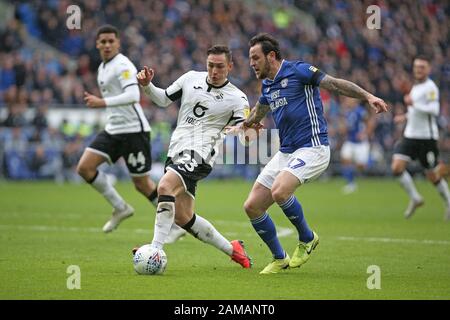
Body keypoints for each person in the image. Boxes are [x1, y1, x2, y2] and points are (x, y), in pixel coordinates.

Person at [236, 33, 387, 274]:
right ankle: (279, 257)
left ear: (271, 56)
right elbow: (259, 111)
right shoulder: (267, 84)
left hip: (313, 147)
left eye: (255, 58)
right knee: (252, 206)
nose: (251, 63)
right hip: (287, 152)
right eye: (250, 58)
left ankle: (307, 238)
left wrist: (368, 96)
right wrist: (245, 123)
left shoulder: (299, 70)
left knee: (280, 190)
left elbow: (335, 84)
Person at [135, 45, 252, 268]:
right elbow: (163, 99)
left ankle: (155, 250)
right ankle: (234, 250)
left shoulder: (238, 98)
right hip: (177, 150)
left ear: (230, 66)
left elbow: (245, 136)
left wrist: (248, 132)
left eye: (219, 66)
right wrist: (147, 86)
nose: (214, 71)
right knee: (183, 216)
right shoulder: (190, 78)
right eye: (210, 65)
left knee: (164, 187)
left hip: (201, 154)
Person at [76, 25, 186, 240]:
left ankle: (173, 225)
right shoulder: (103, 67)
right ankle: (120, 207)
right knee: (85, 168)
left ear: (118, 43)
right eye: (103, 41)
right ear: (97, 44)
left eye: (111, 41)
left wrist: (102, 102)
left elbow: (134, 95)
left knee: (142, 184)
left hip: (134, 131)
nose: (107, 45)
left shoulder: (123, 65)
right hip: (114, 129)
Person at [391, 55, 450, 220]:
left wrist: (413, 104)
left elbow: (434, 110)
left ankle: (449, 203)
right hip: (410, 134)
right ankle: (415, 198)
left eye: (422, 67)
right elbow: (415, 111)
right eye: (416, 66)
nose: (418, 69)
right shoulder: (416, 88)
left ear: (428, 69)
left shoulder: (431, 88)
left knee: (432, 175)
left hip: (426, 138)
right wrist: (405, 116)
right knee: (396, 167)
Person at [339, 97, 375, 194]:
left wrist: (365, 133)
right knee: (345, 159)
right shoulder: (347, 112)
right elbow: (347, 126)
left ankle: (372, 159)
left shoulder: (360, 111)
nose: (347, 101)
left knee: (361, 166)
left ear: (355, 101)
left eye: (349, 100)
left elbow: (370, 123)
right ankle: (351, 184)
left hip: (361, 143)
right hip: (350, 141)